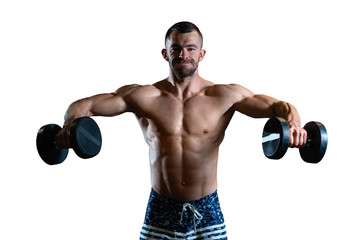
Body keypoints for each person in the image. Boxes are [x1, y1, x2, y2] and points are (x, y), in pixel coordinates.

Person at [56, 21, 307, 240]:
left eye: (190, 48)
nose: (183, 54)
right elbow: (85, 106)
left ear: (202, 53)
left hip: (207, 210)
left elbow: (278, 107)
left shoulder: (225, 95)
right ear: (165, 53)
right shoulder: (144, 96)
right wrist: (68, 126)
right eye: (175, 48)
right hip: (160, 209)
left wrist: (294, 125)